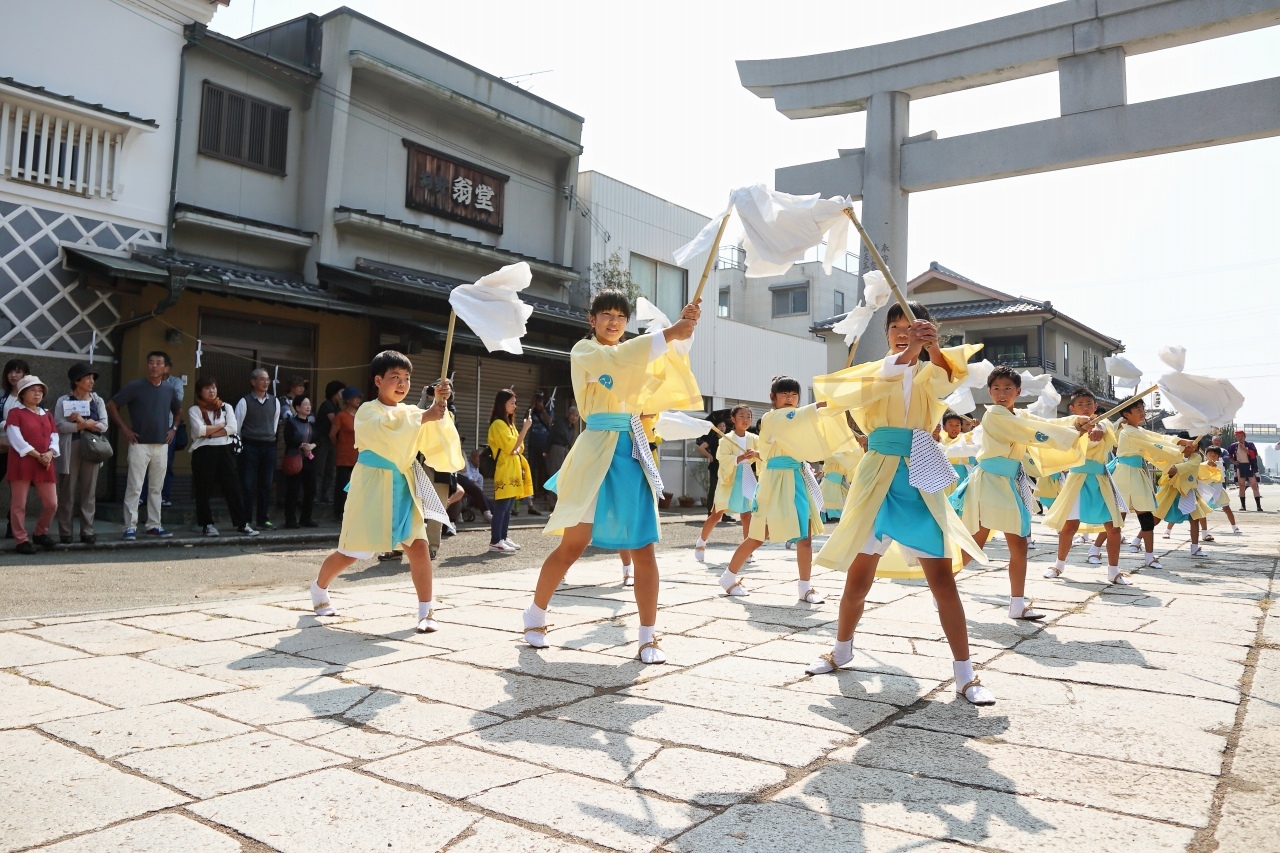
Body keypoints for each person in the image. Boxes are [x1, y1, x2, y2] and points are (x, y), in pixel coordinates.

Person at [803, 301, 995, 707]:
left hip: (919, 476)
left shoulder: (930, 371)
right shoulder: (872, 371)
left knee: (942, 579)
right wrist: (907, 355)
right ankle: (841, 650)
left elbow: (947, 380)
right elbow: (849, 389)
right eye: (895, 326)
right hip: (876, 477)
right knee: (859, 577)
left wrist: (934, 349)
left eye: (913, 326)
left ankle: (965, 672)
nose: (903, 332)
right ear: (887, 332)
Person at [522, 289, 701, 664]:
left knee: (643, 547)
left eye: (620, 315)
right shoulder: (585, 351)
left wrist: (682, 330)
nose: (614, 321)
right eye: (606, 314)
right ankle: (535, 613)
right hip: (596, 449)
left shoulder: (632, 352)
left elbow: (658, 370)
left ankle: (648, 636)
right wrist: (669, 333)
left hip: (632, 450)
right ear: (592, 319)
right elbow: (619, 362)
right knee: (573, 545)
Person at [309, 352, 460, 633]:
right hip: (372, 485)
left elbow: (434, 433)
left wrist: (441, 404)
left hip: (403, 484)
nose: (402, 384)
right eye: (395, 377)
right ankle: (319, 589)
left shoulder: (410, 412)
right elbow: (384, 431)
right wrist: (425, 416)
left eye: (406, 379)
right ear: (378, 380)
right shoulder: (368, 410)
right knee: (352, 551)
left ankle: (427, 610)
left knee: (418, 546)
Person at [949, 366, 1086, 619]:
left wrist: (1073, 421)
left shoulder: (1018, 413)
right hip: (990, 482)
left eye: (1008, 388)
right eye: (997, 389)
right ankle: (943, 588)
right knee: (977, 541)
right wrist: (1072, 430)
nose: (1002, 393)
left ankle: (1016, 604)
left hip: (1010, 482)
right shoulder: (994, 416)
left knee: (1017, 545)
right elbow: (1031, 432)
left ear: (1018, 391)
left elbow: (1042, 423)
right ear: (989, 392)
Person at [717, 385, 834, 603]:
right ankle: (728, 576)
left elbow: (807, 433)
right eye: (784, 394)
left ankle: (805, 588)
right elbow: (793, 417)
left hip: (797, 478)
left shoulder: (797, 419)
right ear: (773, 397)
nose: (790, 398)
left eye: (794, 394)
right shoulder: (772, 418)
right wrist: (820, 405)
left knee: (805, 536)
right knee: (758, 535)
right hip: (775, 481)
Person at [1093, 398, 1193, 570]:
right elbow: (1156, 442)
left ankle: (1149, 557)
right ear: (1126, 414)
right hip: (1123, 474)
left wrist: (1180, 442)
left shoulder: (1137, 430)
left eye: (1142, 408)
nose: (1142, 412)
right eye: (1137, 409)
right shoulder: (1129, 432)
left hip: (1137, 474)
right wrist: (1180, 445)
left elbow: (1155, 437)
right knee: (1116, 518)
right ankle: (1094, 549)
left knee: (1145, 517)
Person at [1043, 389, 1126, 584]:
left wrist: (1099, 427)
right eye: (1080, 405)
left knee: (1113, 527)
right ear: (1072, 409)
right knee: (1069, 525)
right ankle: (1058, 565)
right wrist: (1084, 428)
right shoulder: (1071, 428)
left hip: (1100, 480)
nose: (1085, 408)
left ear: (1095, 407)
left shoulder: (1104, 423)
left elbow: (1105, 427)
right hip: (1077, 478)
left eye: (1089, 404)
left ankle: (1114, 571)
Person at [107, 351, 181, 540]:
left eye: (158, 363)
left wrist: (173, 428)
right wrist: (125, 429)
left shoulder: (169, 389)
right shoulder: (135, 386)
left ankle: (154, 525)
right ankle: (129, 527)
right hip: (139, 443)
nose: (154, 366)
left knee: (157, 488)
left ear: (166, 368)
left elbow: (178, 411)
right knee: (135, 486)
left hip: (161, 445)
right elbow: (112, 405)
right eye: (151, 362)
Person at [187, 378, 258, 538]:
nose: (211, 391)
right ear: (200, 391)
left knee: (233, 487)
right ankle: (207, 524)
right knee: (203, 489)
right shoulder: (195, 410)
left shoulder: (226, 407)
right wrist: (221, 427)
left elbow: (232, 428)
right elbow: (199, 431)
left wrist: (210, 431)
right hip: (203, 451)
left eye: (213, 387)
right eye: (207, 388)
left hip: (225, 450)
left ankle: (242, 524)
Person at [695, 405, 760, 561]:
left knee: (747, 515)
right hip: (730, 478)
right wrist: (739, 458)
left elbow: (763, 453)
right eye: (742, 416)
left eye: (748, 417)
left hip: (746, 476)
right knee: (717, 513)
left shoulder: (754, 438)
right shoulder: (726, 439)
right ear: (733, 419)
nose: (745, 420)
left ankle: (748, 551)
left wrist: (756, 454)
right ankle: (701, 542)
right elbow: (722, 458)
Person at [53, 363, 109, 545]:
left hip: (91, 447)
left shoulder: (97, 400)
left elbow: (103, 425)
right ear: (77, 381)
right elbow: (60, 425)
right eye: (88, 378)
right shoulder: (64, 400)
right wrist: (83, 424)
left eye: (93, 378)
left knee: (89, 490)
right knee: (67, 490)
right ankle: (65, 531)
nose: (91, 382)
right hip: (71, 446)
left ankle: (87, 530)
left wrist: (81, 422)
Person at [6, 376, 58, 553]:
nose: (37, 393)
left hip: (45, 462)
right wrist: (38, 455)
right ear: (22, 394)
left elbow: (54, 437)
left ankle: (40, 532)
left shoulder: (47, 414)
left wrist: (50, 453)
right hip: (22, 462)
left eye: (40, 390)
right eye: (32, 390)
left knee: (52, 503)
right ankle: (21, 540)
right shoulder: (15, 413)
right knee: (19, 504)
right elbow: (16, 439)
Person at [235, 368, 281, 530]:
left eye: (267, 379)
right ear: (253, 382)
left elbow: (274, 426)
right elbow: (237, 427)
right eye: (262, 379)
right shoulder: (244, 401)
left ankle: (263, 519)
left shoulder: (275, 401)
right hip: (249, 446)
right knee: (247, 485)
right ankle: (246, 519)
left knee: (266, 485)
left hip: (269, 447)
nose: (265, 382)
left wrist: (268, 438)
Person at [487, 389, 533, 553]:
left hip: (512, 468)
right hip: (505, 469)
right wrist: (525, 429)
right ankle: (495, 540)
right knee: (502, 506)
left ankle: (503, 537)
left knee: (509, 506)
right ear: (503, 404)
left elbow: (519, 447)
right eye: (512, 403)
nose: (515, 406)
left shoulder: (509, 424)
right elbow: (514, 446)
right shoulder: (498, 424)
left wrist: (517, 445)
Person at [1155, 433, 1210, 556]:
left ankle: (1194, 547)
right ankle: (1137, 540)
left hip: (1188, 491)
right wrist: (1169, 472)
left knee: (1194, 518)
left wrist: (1176, 468)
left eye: (1194, 445)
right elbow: (1165, 470)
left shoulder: (1196, 457)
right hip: (1171, 491)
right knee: (1156, 517)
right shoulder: (1174, 455)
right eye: (1189, 444)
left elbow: (1189, 465)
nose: (1193, 447)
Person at [0, 358, 30, 539]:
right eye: (10, 371)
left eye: (18, 372)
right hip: (0, 448)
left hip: (20, 451)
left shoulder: (32, 396)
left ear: (26, 375)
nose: (13, 375)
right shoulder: (2, 395)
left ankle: (13, 527)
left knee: (18, 492)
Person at [282, 395, 318, 529]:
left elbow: (318, 439)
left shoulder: (311, 423)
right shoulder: (291, 423)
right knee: (293, 490)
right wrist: (303, 446)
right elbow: (288, 440)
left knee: (311, 489)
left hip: (309, 460)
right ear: (297, 408)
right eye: (305, 404)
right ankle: (290, 519)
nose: (308, 407)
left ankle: (306, 518)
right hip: (295, 459)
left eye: (309, 404)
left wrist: (311, 446)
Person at [331, 386, 361, 522]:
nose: (357, 400)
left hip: (359, 455)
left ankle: (353, 512)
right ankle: (339, 512)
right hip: (344, 454)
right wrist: (339, 445)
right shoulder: (341, 416)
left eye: (358, 398)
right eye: (354, 398)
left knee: (356, 485)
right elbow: (332, 435)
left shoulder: (361, 416)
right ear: (347, 400)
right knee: (342, 484)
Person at [314, 380, 345, 505]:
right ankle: (314, 496)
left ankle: (325, 496)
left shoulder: (337, 407)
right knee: (319, 469)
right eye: (340, 392)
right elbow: (335, 422)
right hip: (322, 441)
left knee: (330, 470)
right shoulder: (327, 405)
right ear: (334, 392)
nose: (342, 395)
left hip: (332, 441)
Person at [1200, 447, 1242, 536]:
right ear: (1206, 455)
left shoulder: (1219, 465)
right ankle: (1204, 532)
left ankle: (1234, 527)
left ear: (1218, 456)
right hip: (1206, 490)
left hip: (1218, 489)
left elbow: (1220, 476)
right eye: (1210, 454)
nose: (1212, 456)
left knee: (1226, 508)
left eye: (1215, 455)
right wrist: (1207, 466)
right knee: (1202, 510)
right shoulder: (1201, 465)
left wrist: (1213, 467)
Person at [545, 404, 579, 509]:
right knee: (555, 474)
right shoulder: (560, 423)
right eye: (572, 415)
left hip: (566, 450)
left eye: (576, 416)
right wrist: (547, 450)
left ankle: (560, 502)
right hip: (557, 449)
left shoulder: (572, 427)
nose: (574, 417)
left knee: (564, 476)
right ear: (568, 414)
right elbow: (551, 436)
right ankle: (552, 502)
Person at [525, 390, 552, 512]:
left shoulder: (547, 409)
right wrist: (532, 406)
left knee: (545, 468)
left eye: (541, 399)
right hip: (532, 443)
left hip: (544, 443)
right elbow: (526, 419)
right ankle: (533, 492)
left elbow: (550, 421)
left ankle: (545, 492)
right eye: (537, 399)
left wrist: (543, 410)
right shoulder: (531, 409)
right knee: (532, 468)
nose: (539, 402)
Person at [1229, 429, 1261, 512]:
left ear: (1244, 436)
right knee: (1242, 486)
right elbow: (1229, 455)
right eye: (1238, 436)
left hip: (1250, 465)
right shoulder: (1233, 446)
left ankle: (1258, 506)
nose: (1240, 438)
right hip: (1240, 466)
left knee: (1254, 485)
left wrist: (1244, 449)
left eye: (1241, 436)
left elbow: (1254, 455)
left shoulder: (1250, 444)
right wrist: (1233, 461)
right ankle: (1243, 505)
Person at [460, 447, 493, 522]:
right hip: (464, 486)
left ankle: (493, 514)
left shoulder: (479, 469)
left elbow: (480, 487)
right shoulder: (467, 463)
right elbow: (466, 473)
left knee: (488, 502)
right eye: (479, 457)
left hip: (473, 493)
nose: (481, 460)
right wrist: (472, 481)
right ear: (472, 457)